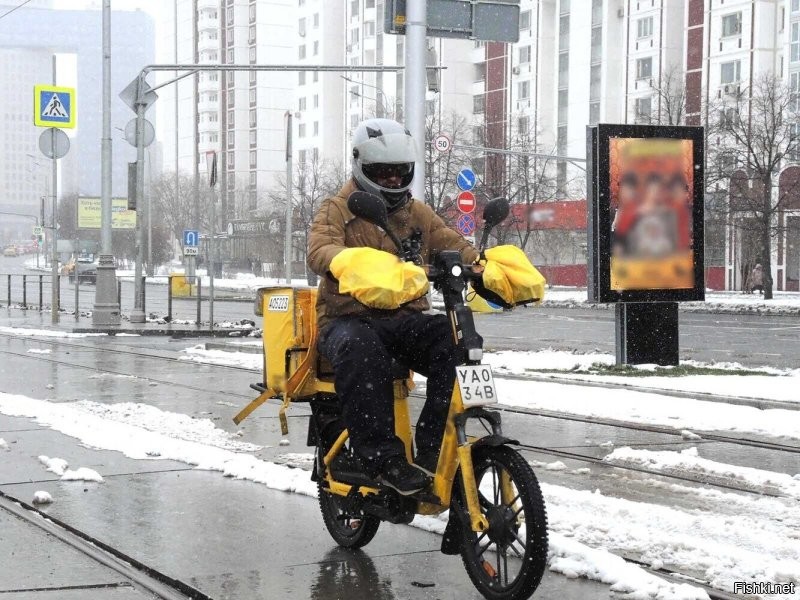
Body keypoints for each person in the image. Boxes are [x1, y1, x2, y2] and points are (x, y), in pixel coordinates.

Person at [307, 118, 479, 495]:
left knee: (452, 340)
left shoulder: (416, 213)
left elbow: (450, 240)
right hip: (347, 319)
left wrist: (483, 265)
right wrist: (350, 261)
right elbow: (319, 249)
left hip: (404, 318)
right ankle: (383, 459)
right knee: (362, 348)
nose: (391, 180)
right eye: (381, 173)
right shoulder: (337, 209)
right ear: (361, 167)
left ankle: (433, 449)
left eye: (399, 172)